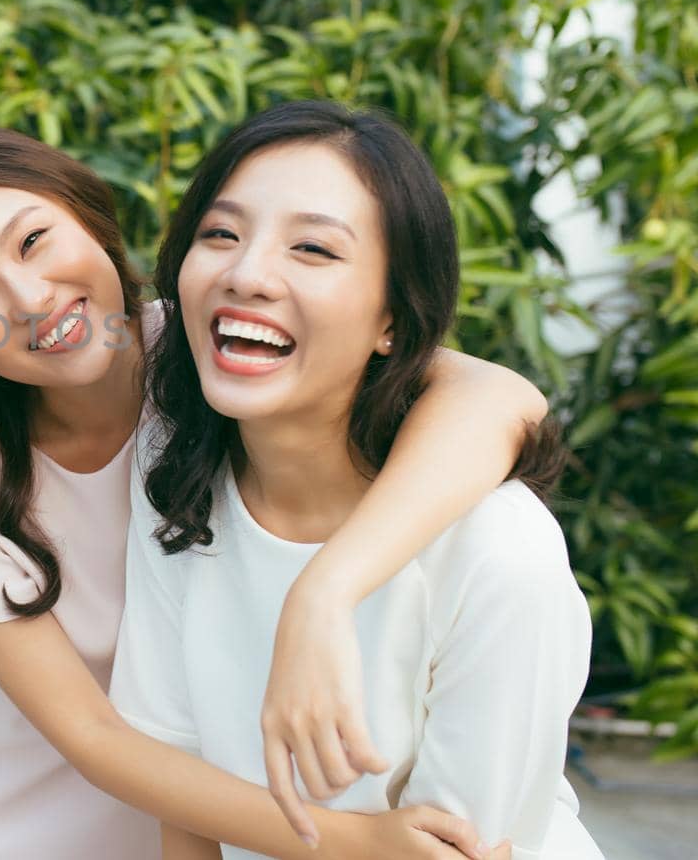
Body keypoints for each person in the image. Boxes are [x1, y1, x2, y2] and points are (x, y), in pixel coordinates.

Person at [0, 126, 548, 860]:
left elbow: (497, 397)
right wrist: (355, 845)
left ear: (92, 219)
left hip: (198, 800)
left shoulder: (219, 350)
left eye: (33, 241)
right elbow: (94, 738)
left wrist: (325, 591)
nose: (30, 298)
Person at [110, 101, 602, 859]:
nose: (247, 273)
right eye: (220, 234)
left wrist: (321, 595)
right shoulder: (177, 476)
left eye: (312, 249)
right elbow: (185, 803)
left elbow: (460, 850)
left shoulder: (500, 552)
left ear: (393, 324)